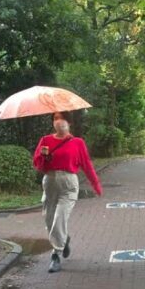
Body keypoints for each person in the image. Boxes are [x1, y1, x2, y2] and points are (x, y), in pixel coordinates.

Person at [33, 111, 102, 273]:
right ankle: (65, 238)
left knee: (59, 218)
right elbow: (38, 165)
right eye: (56, 118)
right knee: (49, 220)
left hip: (69, 183)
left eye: (62, 118)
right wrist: (44, 157)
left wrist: (96, 184)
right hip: (49, 182)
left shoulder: (77, 142)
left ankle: (56, 255)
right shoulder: (45, 140)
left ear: (69, 122)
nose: (59, 121)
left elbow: (87, 165)